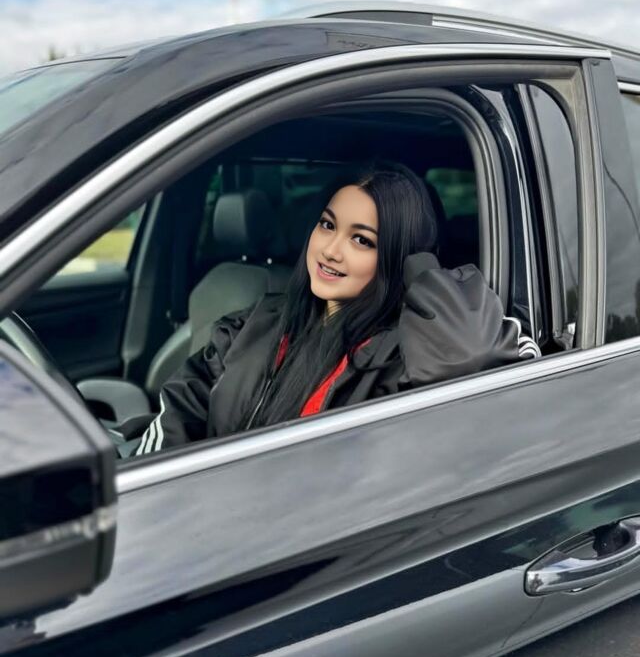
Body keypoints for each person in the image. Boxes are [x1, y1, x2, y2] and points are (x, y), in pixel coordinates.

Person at [136, 162, 539, 455]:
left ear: (396, 258)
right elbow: (174, 421)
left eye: (362, 240)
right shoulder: (251, 326)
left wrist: (421, 271)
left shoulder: (404, 360)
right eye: (328, 225)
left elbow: (482, 369)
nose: (331, 250)